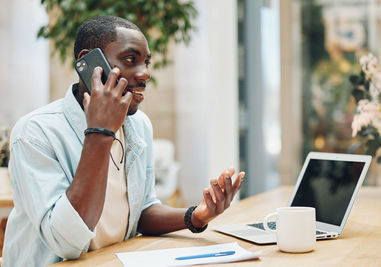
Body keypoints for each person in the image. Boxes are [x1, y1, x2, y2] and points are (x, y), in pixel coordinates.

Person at [2, 16, 245, 266]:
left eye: (147, 62)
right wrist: (100, 131)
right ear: (89, 63)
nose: (145, 74)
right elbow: (66, 242)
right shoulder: (35, 132)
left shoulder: (138, 125)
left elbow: (141, 211)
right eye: (131, 59)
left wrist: (195, 216)